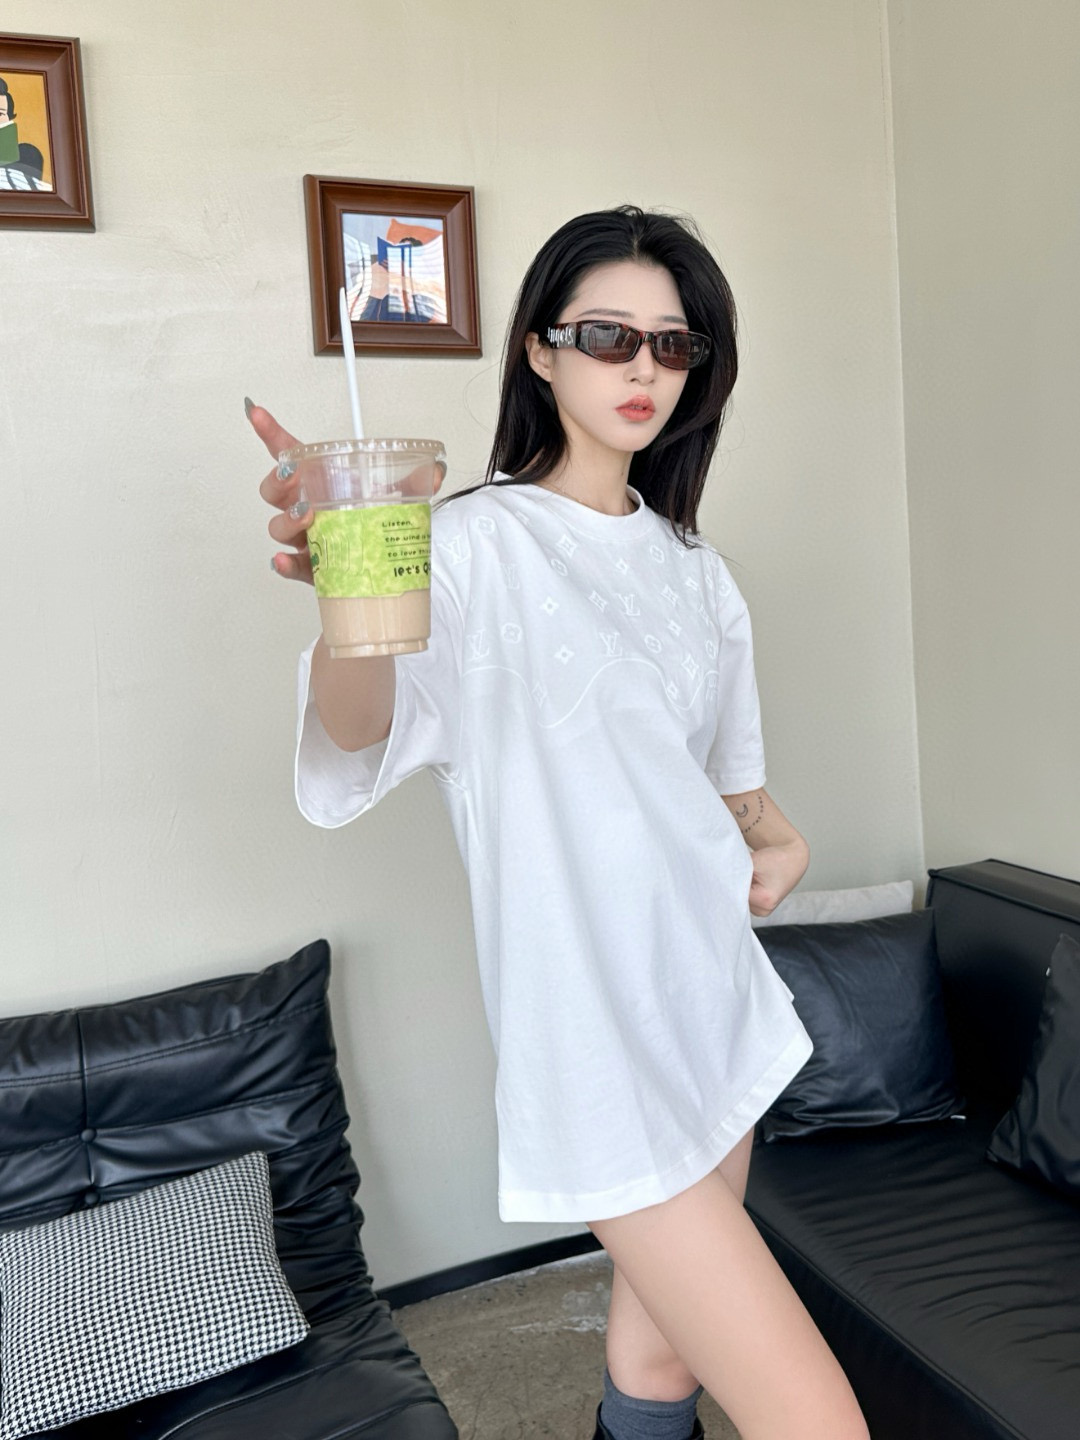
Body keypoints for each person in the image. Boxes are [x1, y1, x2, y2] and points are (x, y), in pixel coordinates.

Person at [250, 205, 869, 1440]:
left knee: (661, 1362)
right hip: (596, 1047)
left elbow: (723, 780)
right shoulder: (468, 547)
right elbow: (361, 734)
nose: (644, 366)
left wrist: (778, 837)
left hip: (715, 1005)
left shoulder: (695, 567)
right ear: (539, 350)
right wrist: (351, 585)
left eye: (674, 344)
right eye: (606, 335)